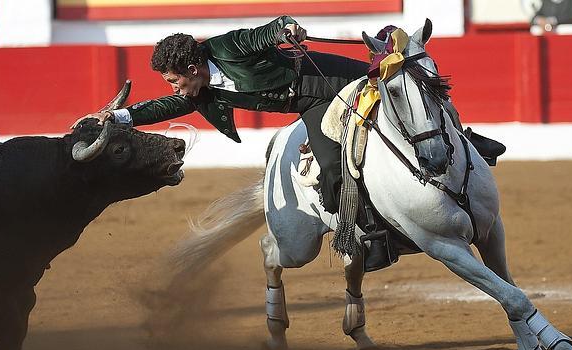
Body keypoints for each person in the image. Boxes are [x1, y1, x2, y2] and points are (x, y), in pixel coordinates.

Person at [74, 15, 369, 214]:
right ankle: (368, 234)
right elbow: (167, 106)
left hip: (333, 81)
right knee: (331, 172)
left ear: (192, 70)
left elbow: (264, 34)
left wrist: (286, 28)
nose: (176, 89)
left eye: (174, 81)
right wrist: (118, 117)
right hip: (312, 106)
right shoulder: (199, 89)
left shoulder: (227, 47)